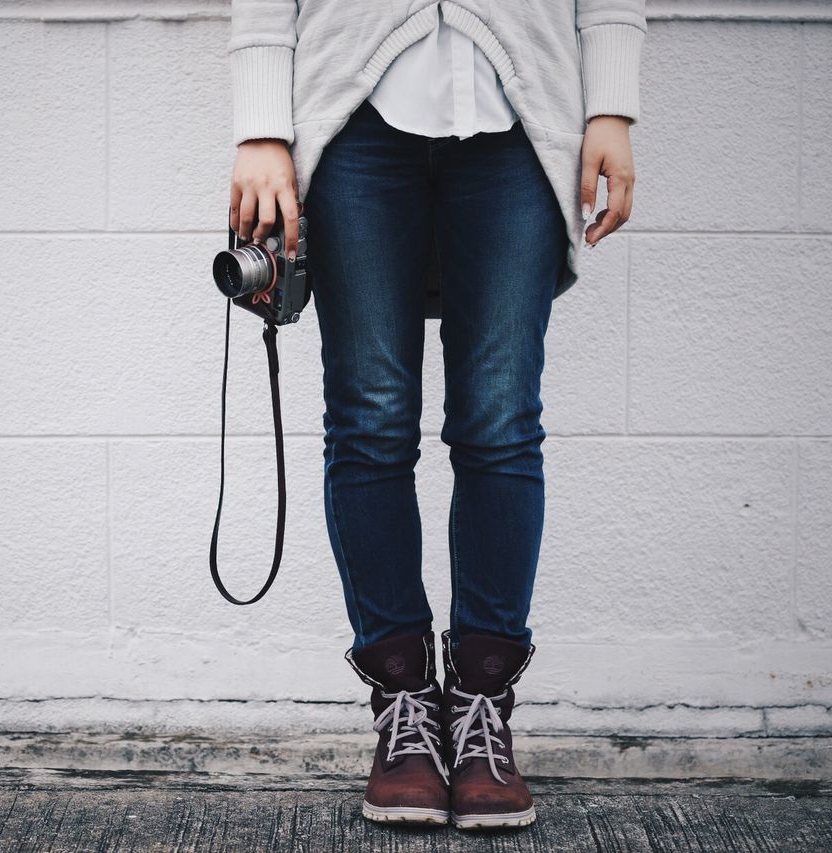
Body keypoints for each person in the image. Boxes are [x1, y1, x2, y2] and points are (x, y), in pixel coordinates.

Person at [226, 0, 645, 832]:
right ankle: (406, 710)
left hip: (522, 116)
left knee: (499, 422)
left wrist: (611, 104)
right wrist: (261, 127)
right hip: (354, 116)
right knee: (370, 419)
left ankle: (483, 710)